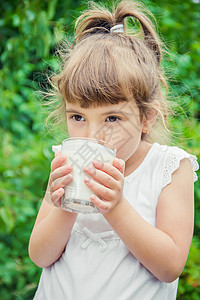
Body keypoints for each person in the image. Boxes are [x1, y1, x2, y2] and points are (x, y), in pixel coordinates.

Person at [29, 1, 199, 299]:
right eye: (78, 117)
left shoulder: (168, 168)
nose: (92, 136)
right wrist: (64, 206)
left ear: (146, 117)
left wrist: (117, 207)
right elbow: (40, 255)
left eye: (112, 118)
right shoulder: (65, 161)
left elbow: (170, 266)